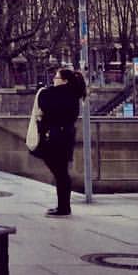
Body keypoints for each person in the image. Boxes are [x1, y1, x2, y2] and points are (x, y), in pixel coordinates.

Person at [38, 67, 86, 216]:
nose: (53, 80)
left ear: (64, 81)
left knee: (61, 173)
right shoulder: (71, 95)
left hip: (59, 137)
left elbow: (45, 105)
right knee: (61, 172)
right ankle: (63, 206)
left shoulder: (61, 95)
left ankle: (63, 207)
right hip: (64, 136)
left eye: (56, 78)